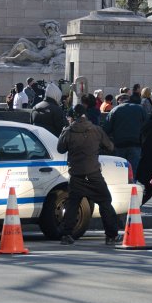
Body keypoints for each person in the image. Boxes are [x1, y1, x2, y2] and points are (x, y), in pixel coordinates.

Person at [57, 104, 122, 246]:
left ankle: (67, 235)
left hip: (76, 174)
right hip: (93, 173)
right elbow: (110, 147)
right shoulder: (96, 130)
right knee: (105, 201)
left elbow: (60, 149)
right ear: (84, 115)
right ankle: (111, 235)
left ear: (72, 117)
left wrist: (64, 132)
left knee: (73, 204)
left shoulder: (68, 131)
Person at [102, 93, 148, 178]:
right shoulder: (140, 109)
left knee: (120, 172)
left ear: (119, 101)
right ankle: (131, 187)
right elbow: (147, 127)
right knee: (133, 172)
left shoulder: (114, 110)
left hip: (120, 145)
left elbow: (105, 130)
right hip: (136, 144)